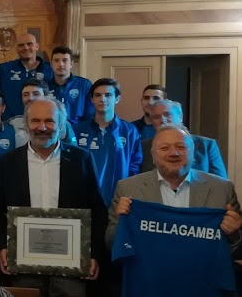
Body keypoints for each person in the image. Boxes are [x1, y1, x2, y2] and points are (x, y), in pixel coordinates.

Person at [107, 125, 242, 297]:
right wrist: (122, 224)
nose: (173, 153)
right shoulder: (129, 189)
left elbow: (233, 250)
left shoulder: (222, 189)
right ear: (153, 155)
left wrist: (234, 233)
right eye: (165, 148)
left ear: (192, 152)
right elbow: (111, 245)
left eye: (181, 147)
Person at [0, 98, 106, 297]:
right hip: (23, 261)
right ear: (26, 125)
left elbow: (98, 210)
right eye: (35, 121)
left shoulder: (82, 159)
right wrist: (2, 247)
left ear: (61, 125)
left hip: (71, 264)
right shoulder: (8, 162)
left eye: (49, 121)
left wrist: (94, 254)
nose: (42, 127)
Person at [73, 78, 143, 207]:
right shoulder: (78, 130)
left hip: (119, 200)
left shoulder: (129, 131)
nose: (102, 99)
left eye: (108, 95)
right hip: (85, 199)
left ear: (117, 99)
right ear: (92, 99)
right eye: (97, 95)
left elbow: (134, 166)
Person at [140, 100, 227, 177]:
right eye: (156, 117)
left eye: (168, 115)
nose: (163, 120)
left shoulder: (206, 145)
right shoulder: (143, 147)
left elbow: (220, 182)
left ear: (180, 117)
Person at [0, 32, 54, 118]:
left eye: (29, 44)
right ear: (16, 49)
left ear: (37, 46)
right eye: (21, 45)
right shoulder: (4, 69)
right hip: (11, 122)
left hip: (40, 120)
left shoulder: (50, 70)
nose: (25, 48)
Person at [47, 46, 93, 124]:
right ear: (51, 64)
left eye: (65, 60)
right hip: (52, 129)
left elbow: (90, 114)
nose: (60, 64)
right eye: (56, 60)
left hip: (78, 130)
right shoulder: (45, 87)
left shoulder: (84, 85)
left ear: (71, 64)